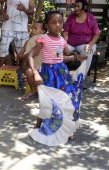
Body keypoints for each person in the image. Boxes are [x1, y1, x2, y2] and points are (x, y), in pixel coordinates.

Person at [28, 11, 87, 145]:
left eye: (60, 22)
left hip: (61, 73)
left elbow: (61, 57)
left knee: (66, 99)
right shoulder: (43, 39)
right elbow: (30, 55)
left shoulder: (62, 41)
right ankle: (38, 125)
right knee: (47, 102)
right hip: (48, 73)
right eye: (53, 22)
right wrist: (35, 73)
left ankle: (67, 128)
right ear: (47, 25)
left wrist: (77, 57)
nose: (57, 25)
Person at [0, 0, 35, 67]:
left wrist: (24, 9)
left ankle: (20, 73)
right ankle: (0, 72)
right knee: (3, 50)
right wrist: (3, 13)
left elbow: (32, 11)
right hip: (7, 27)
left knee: (22, 53)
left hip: (22, 29)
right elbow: (0, 2)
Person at [63, 0, 100, 74]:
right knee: (58, 50)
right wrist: (65, 45)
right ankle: (61, 75)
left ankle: (80, 77)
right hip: (70, 44)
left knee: (89, 50)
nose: (76, 8)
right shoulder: (71, 17)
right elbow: (66, 32)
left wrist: (89, 45)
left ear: (85, 7)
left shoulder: (90, 18)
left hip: (84, 44)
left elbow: (96, 34)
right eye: (75, 6)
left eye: (78, 6)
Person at [17, 21, 45, 100]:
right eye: (32, 28)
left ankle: (46, 92)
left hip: (45, 66)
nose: (32, 30)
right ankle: (33, 91)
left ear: (42, 32)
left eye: (35, 28)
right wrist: (29, 54)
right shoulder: (28, 42)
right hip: (33, 67)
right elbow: (19, 56)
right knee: (28, 72)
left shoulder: (46, 40)